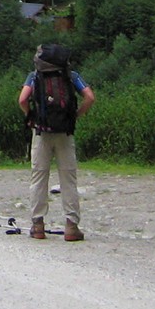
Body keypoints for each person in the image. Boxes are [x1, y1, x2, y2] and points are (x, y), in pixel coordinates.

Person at [18, 44, 95, 241]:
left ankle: (38, 225)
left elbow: (22, 100)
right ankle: (71, 226)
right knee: (68, 178)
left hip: (41, 131)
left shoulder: (34, 76)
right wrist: (75, 116)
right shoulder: (71, 75)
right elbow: (89, 97)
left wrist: (32, 117)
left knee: (39, 177)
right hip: (65, 132)